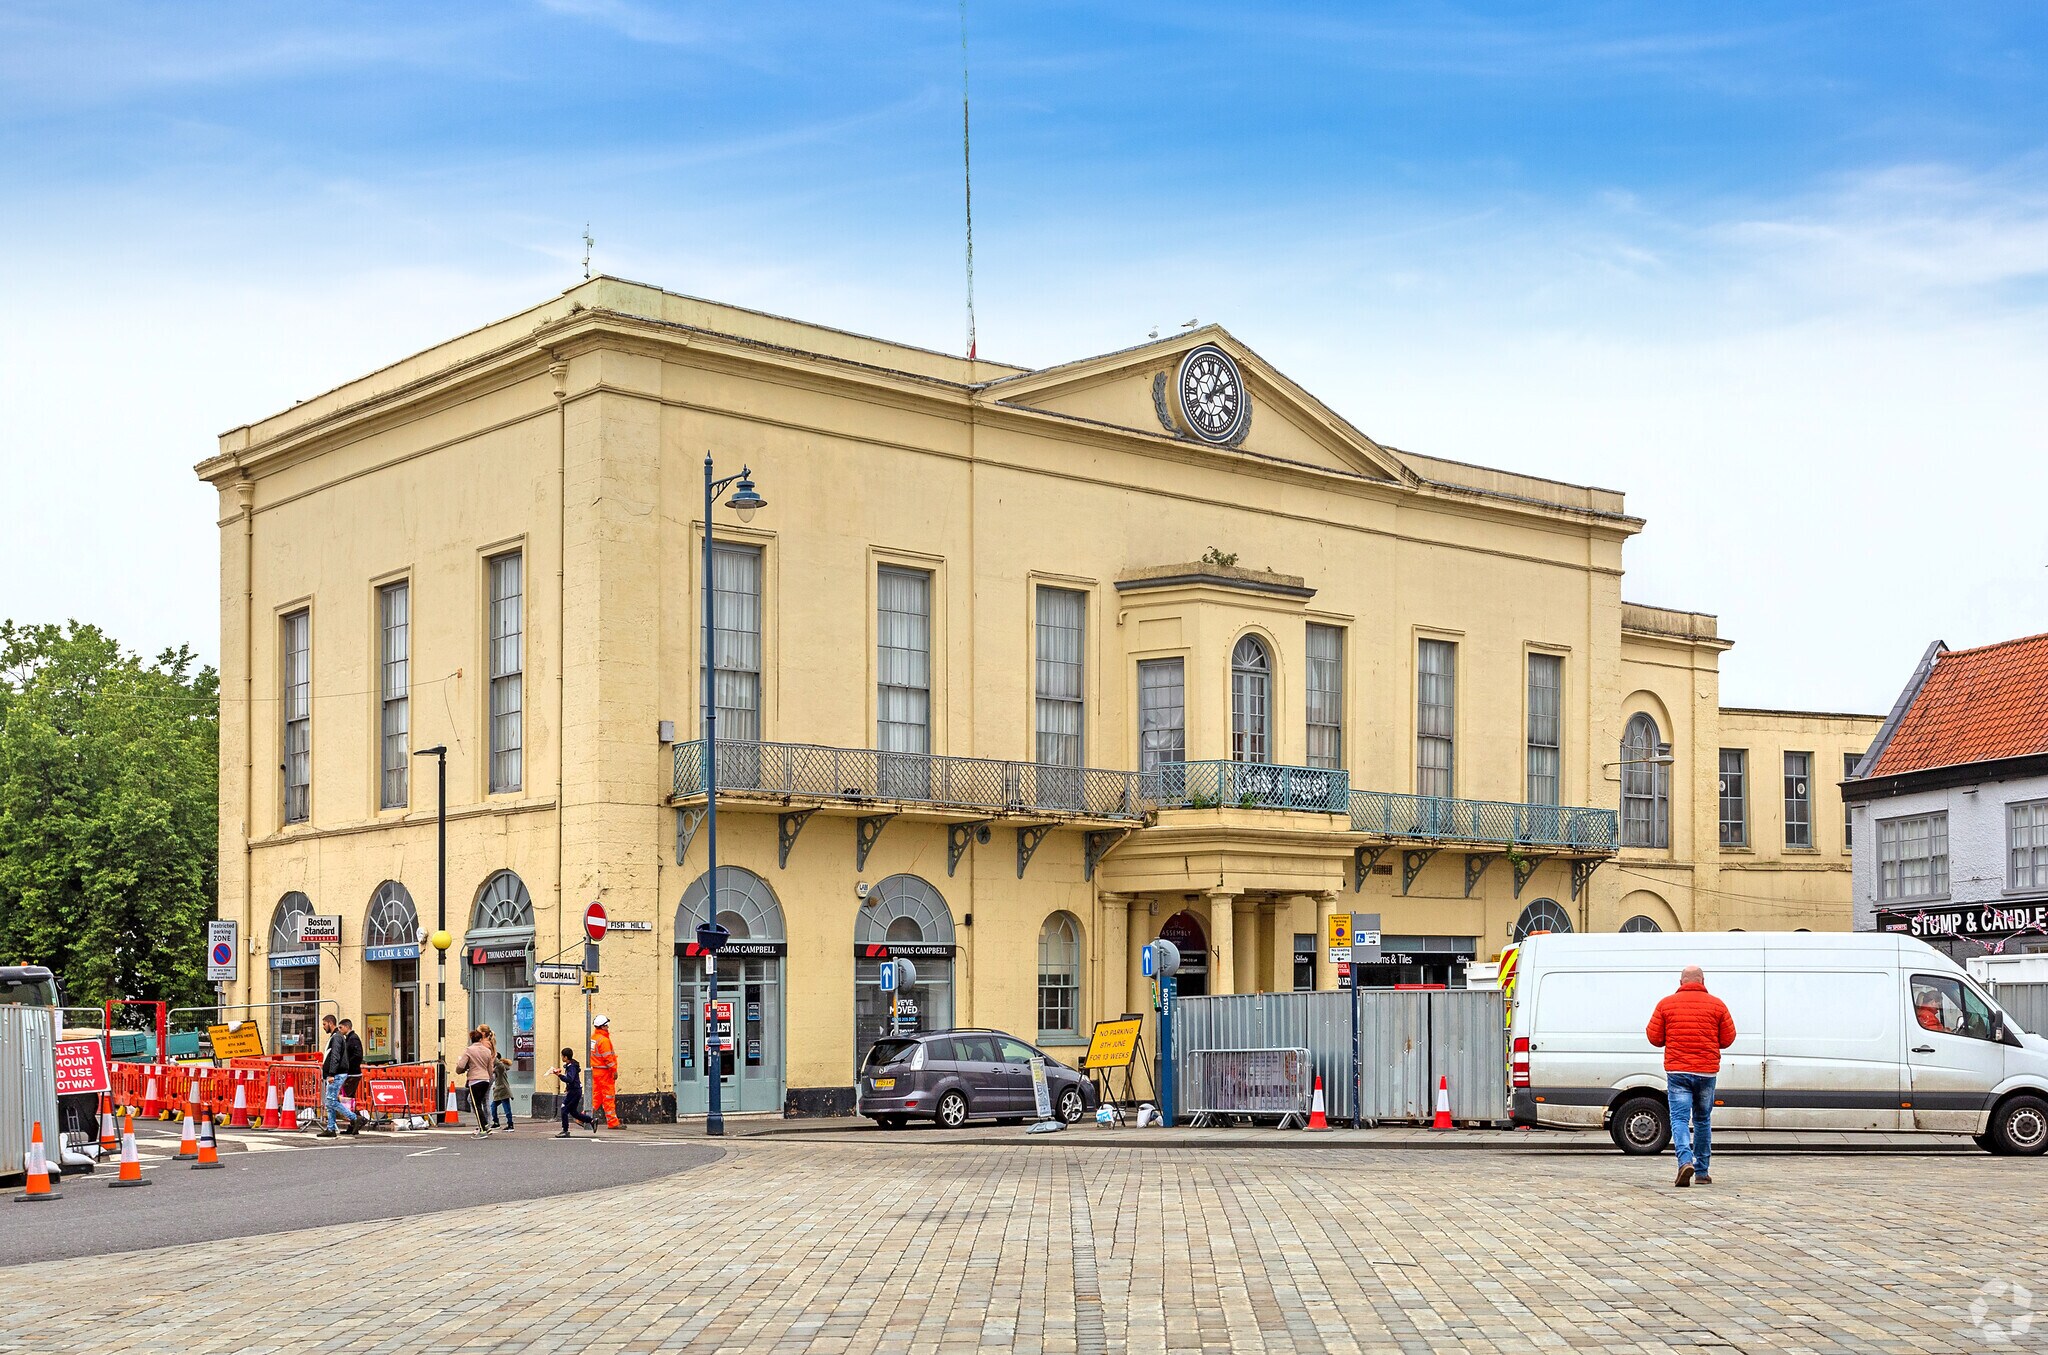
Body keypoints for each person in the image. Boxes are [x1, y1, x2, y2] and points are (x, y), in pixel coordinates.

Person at [1646, 963, 1737, 1188]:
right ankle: (1702, 1171)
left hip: (1678, 1071)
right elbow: (1727, 1039)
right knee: (1702, 1119)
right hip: (1706, 1071)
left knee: (1679, 1119)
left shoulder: (1666, 1004)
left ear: (1681, 982)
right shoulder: (1717, 1005)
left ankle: (1685, 1161)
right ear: (1703, 982)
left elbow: (1655, 1038)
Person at [318, 1013, 367, 1138]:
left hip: (336, 1074)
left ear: (330, 1023)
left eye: (324, 1024)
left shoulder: (336, 1038)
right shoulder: (337, 1037)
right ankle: (331, 1128)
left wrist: (331, 1074)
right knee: (330, 1101)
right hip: (337, 1073)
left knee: (331, 1101)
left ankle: (355, 1118)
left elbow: (335, 1056)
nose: (323, 1027)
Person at [550, 1046, 599, 1137]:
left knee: (564, 1109)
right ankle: (591, 1121)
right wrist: (568, 1087)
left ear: (565, 1057)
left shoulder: (571, 1066)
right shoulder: (571, 1065)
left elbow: (570, 1079)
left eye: (562, 1056)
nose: (561, 1058)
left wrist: (559, 1075)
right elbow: (573, 1079)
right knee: (573, 1112)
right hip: (575, 1090)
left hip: (574, 1092)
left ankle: (565, 1130)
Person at [455, 1028, 496, 1138]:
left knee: (476, 1105)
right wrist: (489, 1078)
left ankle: (482, 1130)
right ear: (481, 1039)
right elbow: (490, 1068)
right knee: (479, 1103)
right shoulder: (487, 1051)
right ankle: (485, 1125)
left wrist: (459, 1070)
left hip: (475, 1081)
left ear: (471, 1039)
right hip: (485, 1080)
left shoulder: (469, 1050)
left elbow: (461, 1065)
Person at [590, 1014, 620, 1128]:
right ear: (602, 1026)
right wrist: (614, 1070)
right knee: (608, 1097)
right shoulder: (604, 1040)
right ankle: (613, 1122)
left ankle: (582, 1117)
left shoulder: (593, 1038)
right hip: (605, 1073)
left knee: (597, 1097)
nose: (608, 1028)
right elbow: (608, 1058)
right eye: (606, 1026)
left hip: (596, 1071)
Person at [488, 1030, 515, 1131]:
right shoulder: (498, 1068)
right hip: (498, 1091)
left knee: (506, 1108)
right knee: (493, 1107)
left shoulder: (500, 1067)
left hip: (503, 1090)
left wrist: (492, 1055)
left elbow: (498, 1066)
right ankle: (496, 1122)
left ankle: (510, 1124)